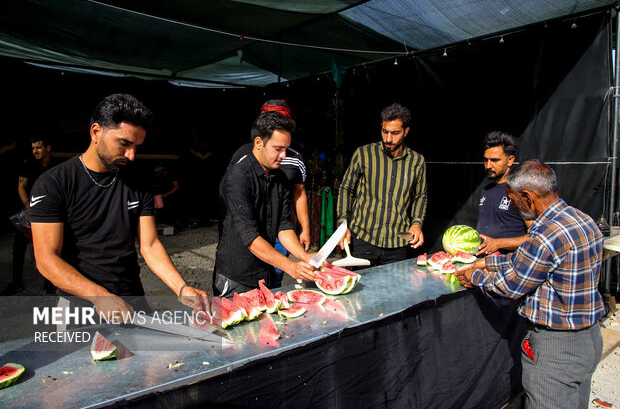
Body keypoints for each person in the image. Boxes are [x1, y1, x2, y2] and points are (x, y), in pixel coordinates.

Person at [29, 94, 207, 319]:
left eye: (136, 147)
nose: (131, 155)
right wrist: (98, 296)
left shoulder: (139, 181)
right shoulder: (54, 183)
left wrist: (181, 288)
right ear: (96, 132)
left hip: (132, 298)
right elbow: (47, 259)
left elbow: (150, 244)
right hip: (79, 306)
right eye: (124, 144)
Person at [456, 160, 605, 409]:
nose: (514, 206)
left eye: (513, 200)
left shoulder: (545, 235)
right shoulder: (582, 220)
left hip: (557, 350)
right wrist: (489, 264)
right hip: (589, 340)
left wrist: (473, 277)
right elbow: (537, 263)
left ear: (527, 197)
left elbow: (511, 286)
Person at [214, 111, 316, 297]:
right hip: (237, 276)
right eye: (278, 148)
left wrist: (304, 256)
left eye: (286, 149)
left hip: (265, 271)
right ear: (259, 142)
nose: (284, 155)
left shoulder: (280, 177)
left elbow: (283, 225)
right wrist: (290, 266)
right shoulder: (238, 177)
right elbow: (251, 238)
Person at [336, 103, 427, 266]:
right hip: (363, 239)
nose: (388, 139)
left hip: (399, 242)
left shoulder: (417, 161)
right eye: (385, 131)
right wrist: (342, 224)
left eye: (395, 133)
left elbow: (420, 195)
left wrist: (416, 223)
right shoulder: (364, 154)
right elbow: (346, 188)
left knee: (395, 291)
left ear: (406, 132)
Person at [2, 135, 55, 295]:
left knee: (47, 250)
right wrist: (28, 206)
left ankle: (50, 285)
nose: (35, 151)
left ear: (48, 148)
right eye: (33, 148)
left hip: (48, 216)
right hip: (29, 214)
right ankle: (17, 283)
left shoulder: (55, 166)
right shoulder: (29, 164)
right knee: (18, 249)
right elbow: (21, 186)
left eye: (38, 147)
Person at [476, 132, 529, 256]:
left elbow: (536, 237)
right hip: (483, 264)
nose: (488, 165)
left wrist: (499, 243)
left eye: (495, 160)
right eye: (485, 160)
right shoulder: (486, 190)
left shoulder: (519, 191)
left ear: (510, 160)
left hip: (508, 265)